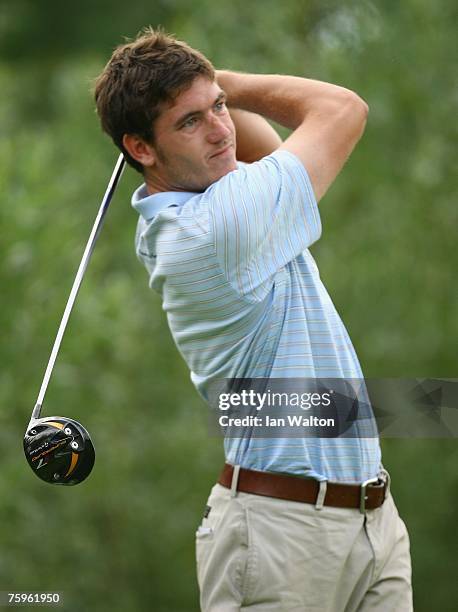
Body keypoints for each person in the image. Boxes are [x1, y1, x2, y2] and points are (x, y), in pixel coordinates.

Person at [94, 27, 413, 612]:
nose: (220, 129)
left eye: (219, 108)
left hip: (370, 523)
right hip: (281, 537)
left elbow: (258, 154)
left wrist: (207, 100)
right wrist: (230, 83)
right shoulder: (217, 228)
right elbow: (342, 109)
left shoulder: (197, 201)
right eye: (190, 121)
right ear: (140, 148)